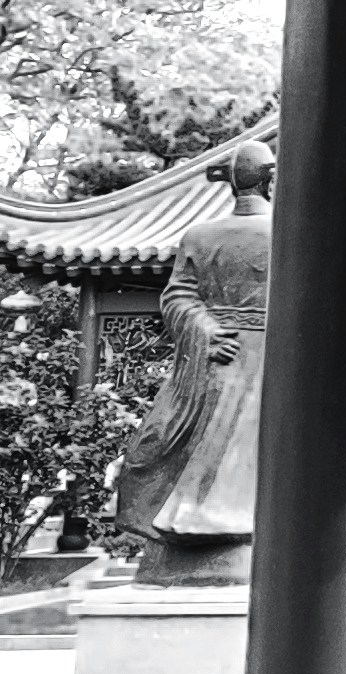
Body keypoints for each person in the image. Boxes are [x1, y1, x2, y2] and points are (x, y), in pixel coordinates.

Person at [115, 138, 272, 558]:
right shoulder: (293, 236)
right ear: (271, 182)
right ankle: (212, 526)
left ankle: (211, 524)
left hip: (219, 356)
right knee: (227, 444)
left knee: (215, 440)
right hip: (263, 359)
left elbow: (177, 297)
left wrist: (203, 330)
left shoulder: (199, 235)